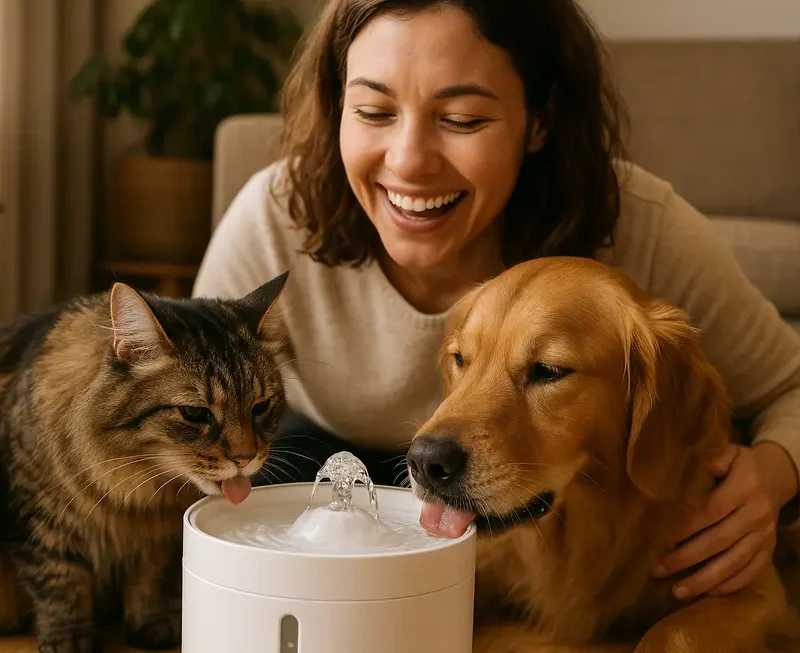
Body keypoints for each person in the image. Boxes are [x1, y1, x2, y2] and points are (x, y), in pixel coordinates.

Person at [193, 0, 800, 606]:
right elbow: (170, 403)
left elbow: (788, 386)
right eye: (373, 111)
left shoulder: (646, 227)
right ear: (337, 109)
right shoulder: (274, 220)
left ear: (540, 120)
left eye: (461, 119)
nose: (407, 162)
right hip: (320, 465)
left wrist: (773, 474)